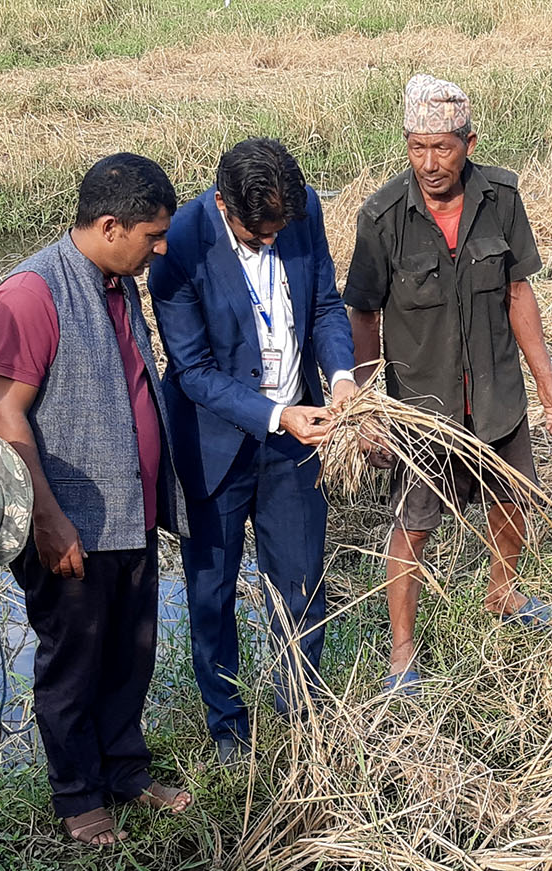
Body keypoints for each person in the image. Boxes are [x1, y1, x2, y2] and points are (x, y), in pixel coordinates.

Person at [0, 153, 194, 845]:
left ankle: (125, 771)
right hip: (71, 521)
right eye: (151, 234)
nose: (160, 248)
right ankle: (78, 798)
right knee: (73, 662)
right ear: (110, 225)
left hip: (128, 510)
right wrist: (48, 518)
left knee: (131, 651)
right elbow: (6, 415)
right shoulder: (31, 294)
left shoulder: (115, 278)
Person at [342, 74, 552, 696]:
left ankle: (503, 592)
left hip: (496, 393)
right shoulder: (383, 217)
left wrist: (547, 383)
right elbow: (362, 313)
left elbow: (516, 290)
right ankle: (401, 656)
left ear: (468, 143)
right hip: (424, 404)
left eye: (442, 148)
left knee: (513, 498)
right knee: (413, 523)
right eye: (417, 148)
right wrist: (370, 406)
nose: (429, 163)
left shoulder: (499, 198)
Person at [148, 137, 356, 765]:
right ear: (221, 204)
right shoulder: (178, 242)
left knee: (299, 580)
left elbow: (323, 305)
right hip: (215, 445)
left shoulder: (303, 209)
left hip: (299, 439)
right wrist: (274, 415)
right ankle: (229, 731)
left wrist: (342, 376)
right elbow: (191, 369)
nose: (270, 242)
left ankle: (304, 716)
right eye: (255, 234)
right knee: (211, 594)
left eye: (279, 230)